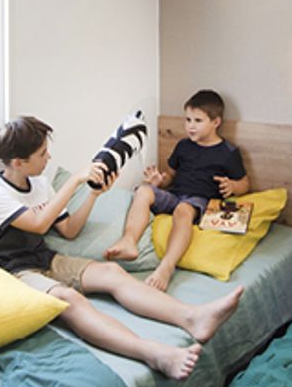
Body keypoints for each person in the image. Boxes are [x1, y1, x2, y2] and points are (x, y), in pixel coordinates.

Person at [0, 116, 244, 381]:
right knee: (69, 298)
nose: (49, 158)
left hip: (45, 259)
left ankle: (192, 317)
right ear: (18, 162)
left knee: (112, 272)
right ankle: (154, 353)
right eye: (42, 154)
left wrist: (93, 194)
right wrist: (75, 180)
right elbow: (39, 224)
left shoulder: (39, 184)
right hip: (13, 273)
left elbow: (69, 230)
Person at [105, 89, 250, 291]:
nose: (190, 126)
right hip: (175, 195)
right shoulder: (183, 146)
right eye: (187, 120)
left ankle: (166, 267)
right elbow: (171, 175)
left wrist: (233, 186)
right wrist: (159, 180)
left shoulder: (228, 152)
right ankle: (129, 240)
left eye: (198, 121)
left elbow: (245, 183)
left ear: (216, 122)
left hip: (200, 201)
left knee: (183, 210)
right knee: (144, 191)